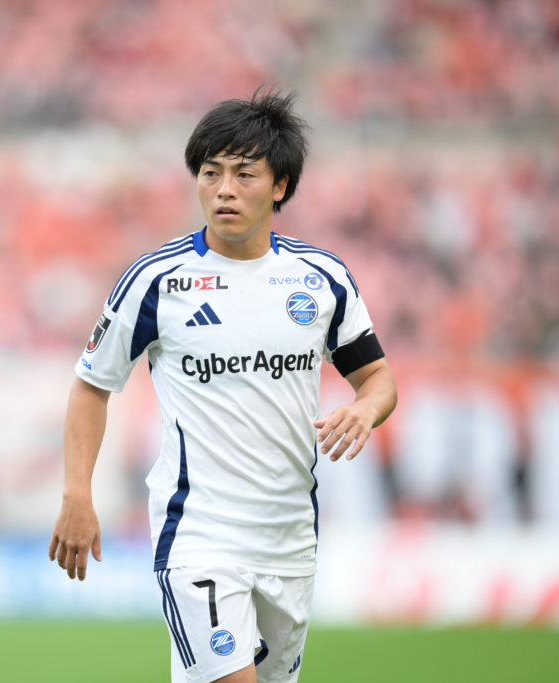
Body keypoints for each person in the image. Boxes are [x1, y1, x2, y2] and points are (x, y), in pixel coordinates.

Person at [48, 90, 397, 683]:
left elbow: (378, 378)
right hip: (198, 532)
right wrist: (76, 493)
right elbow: (91, 386)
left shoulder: (322, 279)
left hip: (290, 535)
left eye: (244, 174)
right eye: (210, 173)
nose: (224, 189)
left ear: (280, 186)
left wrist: (366, 409)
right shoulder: (157, 281)